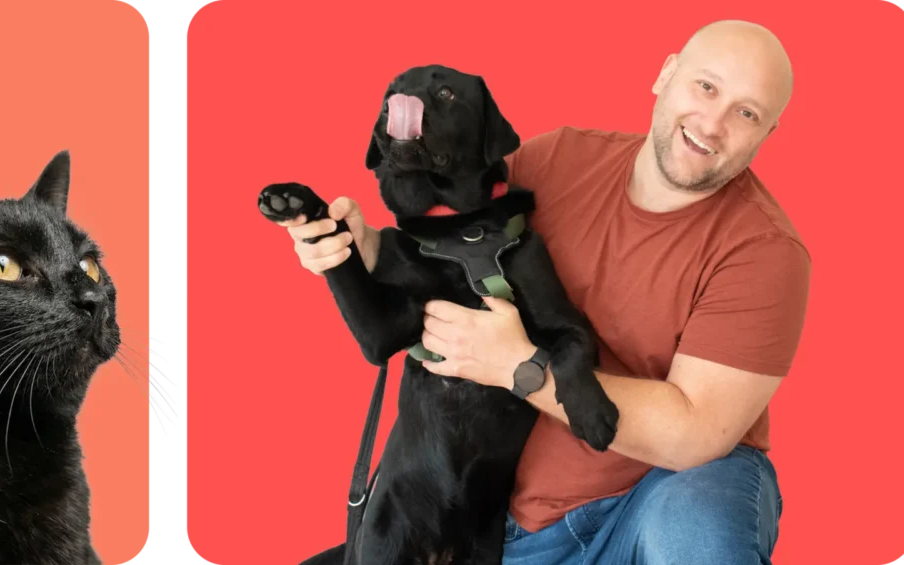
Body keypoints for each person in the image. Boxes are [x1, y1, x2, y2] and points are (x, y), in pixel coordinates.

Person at [277, 19, 807, 565]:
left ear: (767, 133)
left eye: (747, 113)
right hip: (492, 527)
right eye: (706, 86)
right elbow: (441, 241)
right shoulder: (558, 160)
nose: (713, 124)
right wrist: (363, 249)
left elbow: (697, 433)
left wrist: (519, 367)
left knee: (702, 508)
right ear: (666, 74)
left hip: (637, 512)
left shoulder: (763, 251)